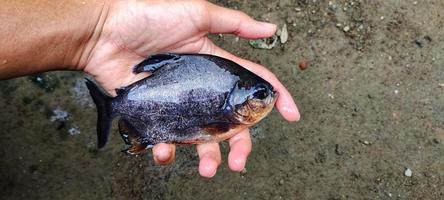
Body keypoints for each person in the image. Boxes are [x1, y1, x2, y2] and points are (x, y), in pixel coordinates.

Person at [0, 0, 300, 178]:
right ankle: (117, 112)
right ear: (240, 100)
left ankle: (119, 114)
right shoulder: (227, 117)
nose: (267, 97)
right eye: (260, 95)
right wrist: (97, 28)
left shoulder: (228, 109)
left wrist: (97, 29)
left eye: (262, 94)